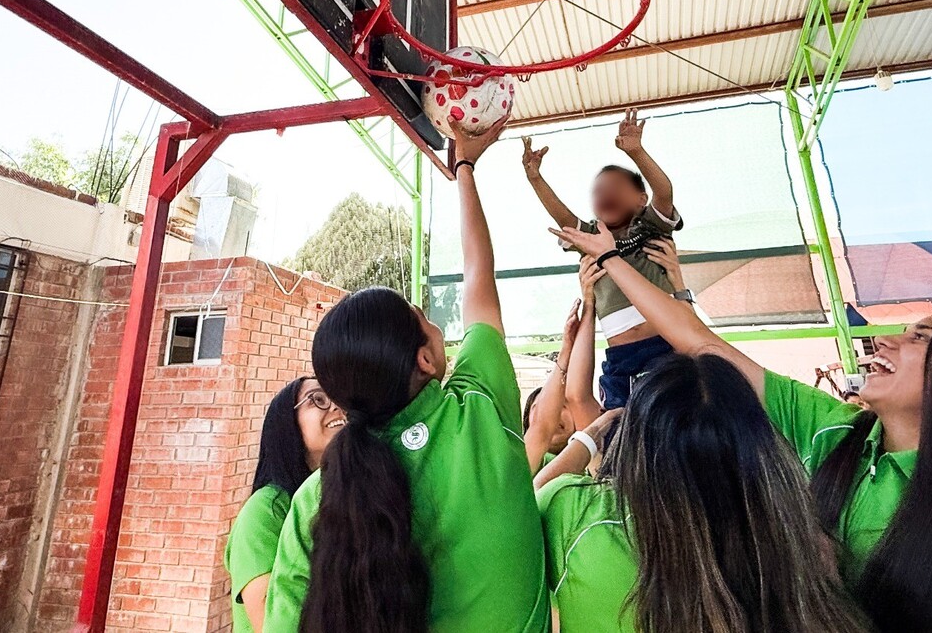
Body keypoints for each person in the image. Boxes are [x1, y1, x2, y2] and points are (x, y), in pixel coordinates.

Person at [554, 223, 932, 633]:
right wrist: (611, 259)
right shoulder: (837, 434)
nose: (885, 342)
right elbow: (701, 343)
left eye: (919, 338)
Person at [265, 120, 549, 633]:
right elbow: (478, 276)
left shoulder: (314, 501)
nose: (439, 327)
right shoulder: (479, 414)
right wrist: (465, 167)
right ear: (425, 360)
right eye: (427, 319)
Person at [539, 352, 872, 633]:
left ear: (635, 445)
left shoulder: (579, 518)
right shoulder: (801, 541)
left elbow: (535, 494)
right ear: (760, 444)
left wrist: (589, 436)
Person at [523, 108, 686, 408]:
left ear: (641, 200)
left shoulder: (650, 226)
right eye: (598, 192)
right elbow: (564, 219)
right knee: (619, 420)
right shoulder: (592, 238)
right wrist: (535, 178)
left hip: (668, 342)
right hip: (622, 358)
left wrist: (636, 152)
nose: (605, 194)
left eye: (617, 188)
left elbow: (664, 191)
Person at [225, 377, 345, 633]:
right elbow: (270, 622)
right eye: (318, 399)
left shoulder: (343, 497)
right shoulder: (263, 512)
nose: (336, 406)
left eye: (338, 397)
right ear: (287, 426)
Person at [523, 261, 606, 474]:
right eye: (539, 408)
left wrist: (589, 305)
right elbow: (542, 426)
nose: (554, 414)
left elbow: (577, 395)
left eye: (562, 405)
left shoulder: (598, 458)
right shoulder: (518, 466)